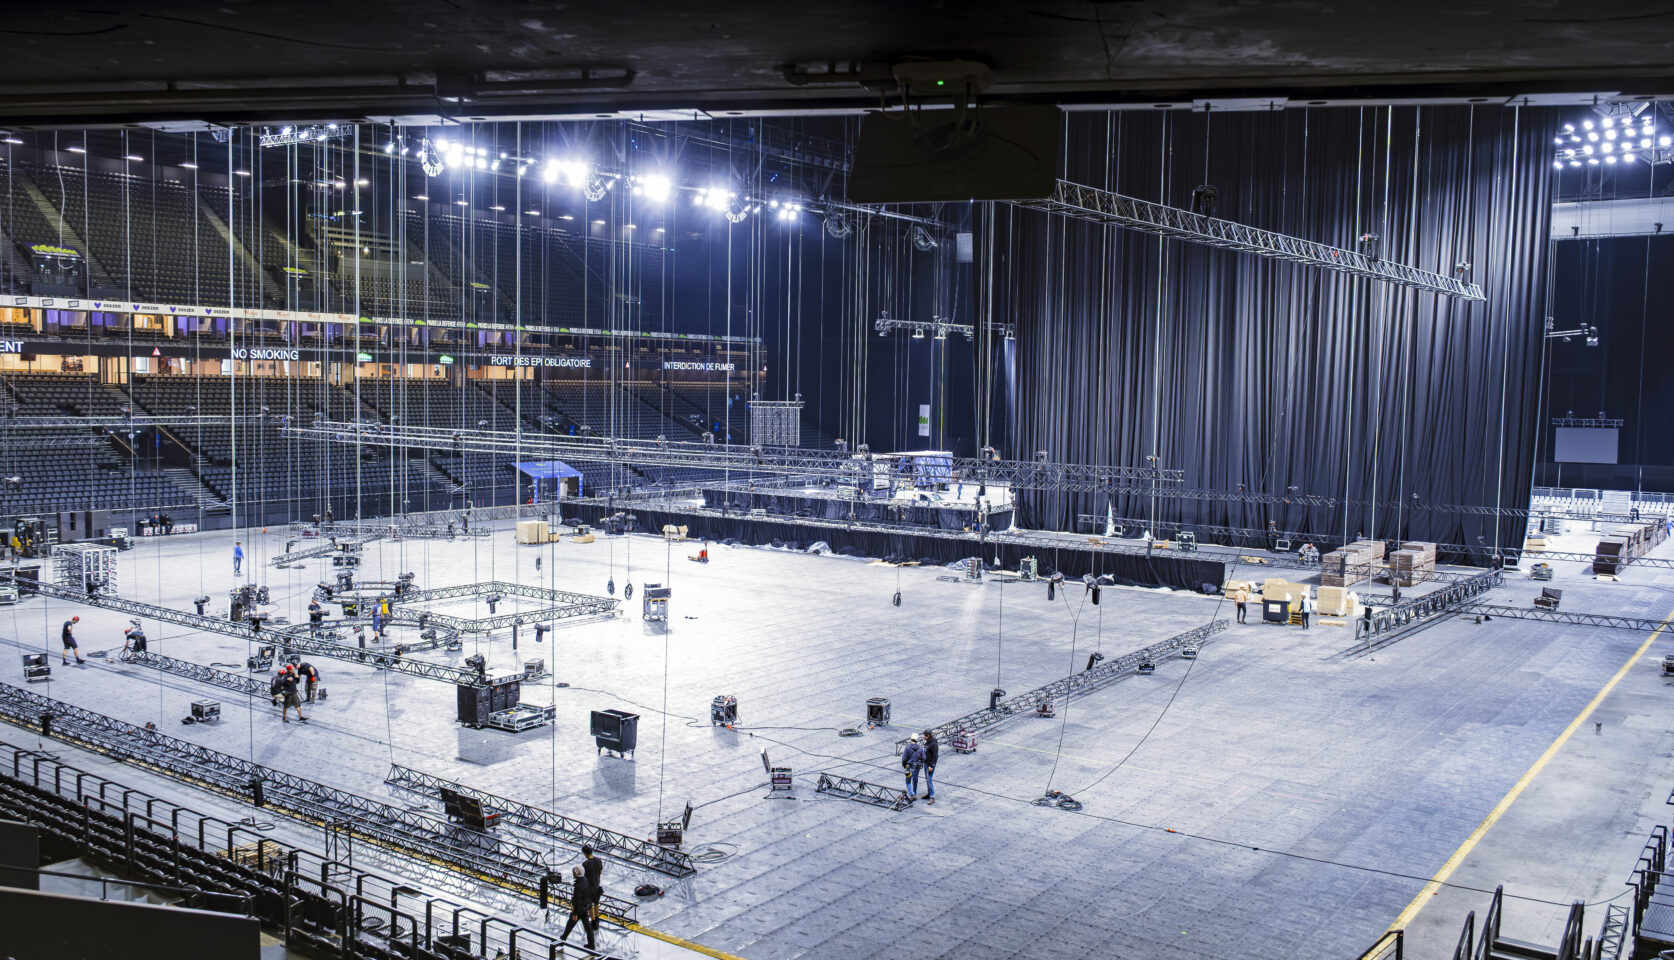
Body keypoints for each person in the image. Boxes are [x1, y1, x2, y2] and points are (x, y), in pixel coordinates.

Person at [560, 865, 597, 950]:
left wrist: (575, 913)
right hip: (585, 907)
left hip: (579, 909)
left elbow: (577, 900)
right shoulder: (586, 880)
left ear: (577, 873)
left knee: (570, 924)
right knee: (588, 927)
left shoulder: (578, 886)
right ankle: (591, 944)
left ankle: (562, 939)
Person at [901, 735, 925, 799]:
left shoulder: (907, 748)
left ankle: (912, 794)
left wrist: (904, 765)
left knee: (908, 781)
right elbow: (924, 757)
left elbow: (904, 759)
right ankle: (914, 793)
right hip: (917, 766)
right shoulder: (920, 748)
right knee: (915, 780)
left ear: (911, 739)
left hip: (910, 766)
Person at [920, 730, 939, 804]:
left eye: (925, 735)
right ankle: (929, 793)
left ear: (928, 735)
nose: (924, 737)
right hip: (926, 763)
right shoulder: (927, 743)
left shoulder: (933, 744)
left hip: (929, 765)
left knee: (929, 780)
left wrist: (931, 766)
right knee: (927, 779)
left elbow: (935, 756)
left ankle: (932, 797)